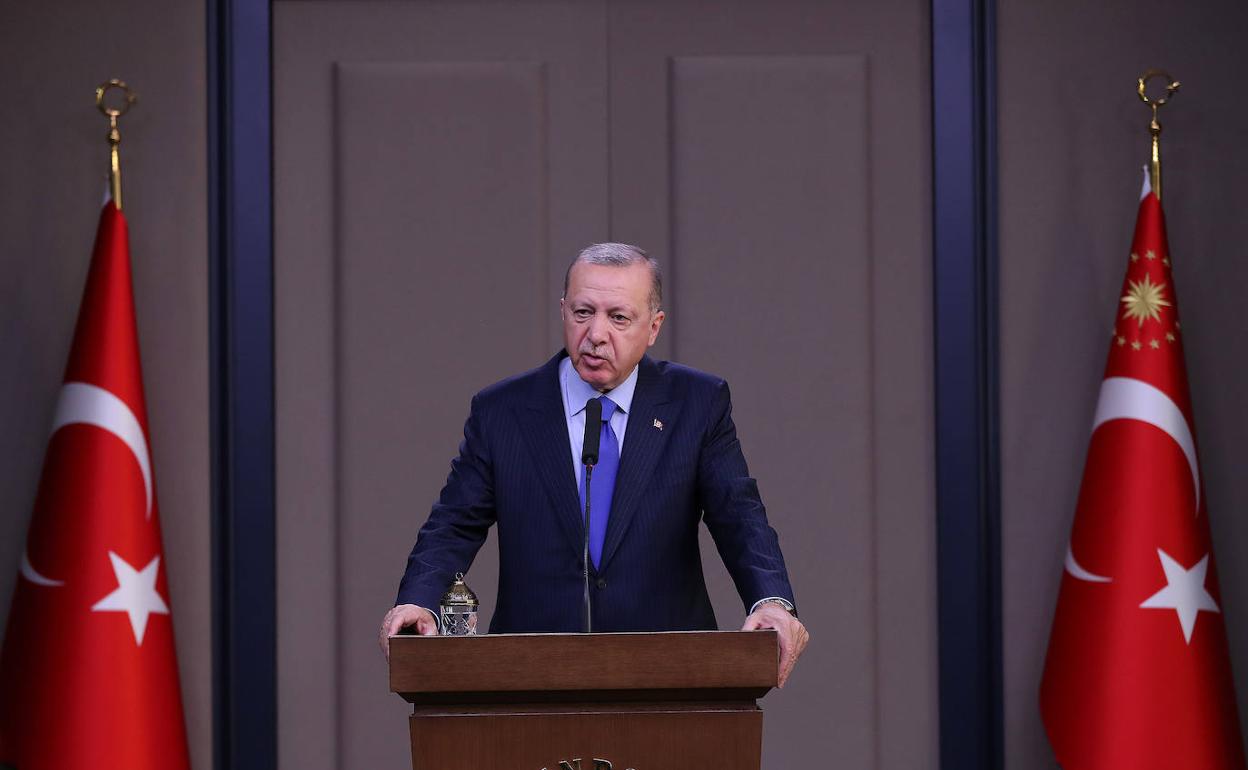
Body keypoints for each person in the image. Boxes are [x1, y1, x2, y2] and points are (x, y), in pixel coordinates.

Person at [379, 243, 809, 686]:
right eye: (583, 313)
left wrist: (771, 601)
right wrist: (419, 601)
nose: (596, 334)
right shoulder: (503, 411)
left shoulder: (697, 403)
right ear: (563, 311)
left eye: (618, 318)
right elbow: (454, 523)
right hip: (531, 675)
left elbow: (740, 516)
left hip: (669, 674)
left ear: (653, 327)